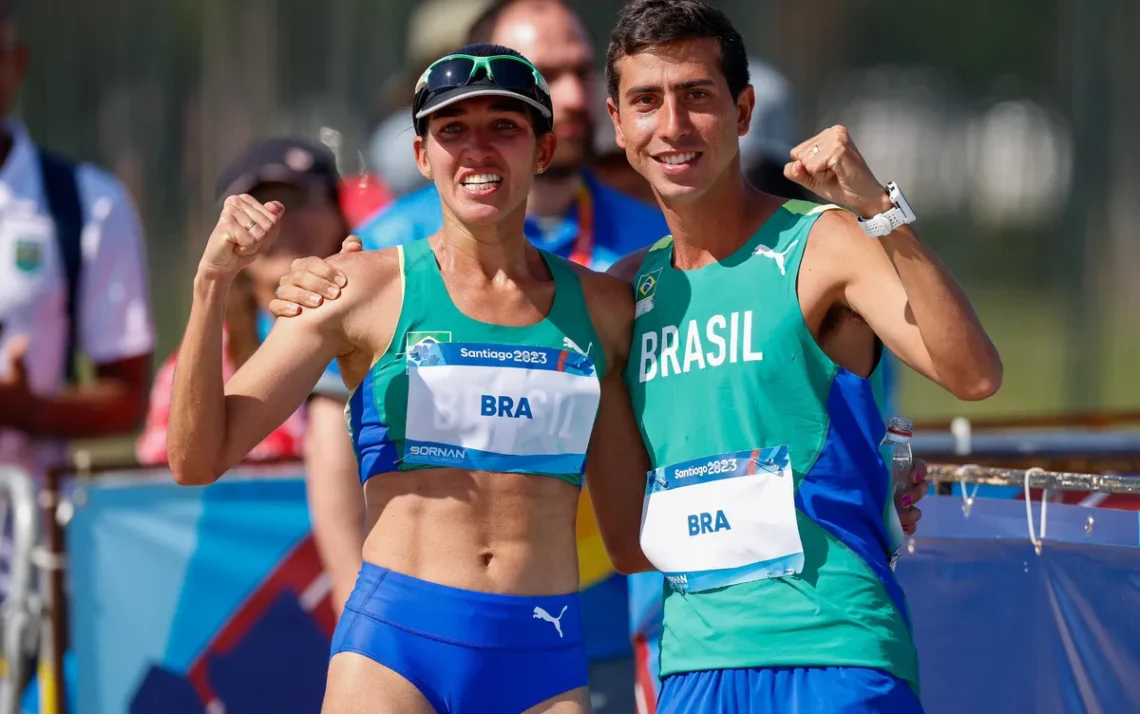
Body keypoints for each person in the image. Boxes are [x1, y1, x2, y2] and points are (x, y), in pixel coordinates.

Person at [168, 44, 651, 714]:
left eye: (503, 128)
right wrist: (210, 285)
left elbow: (631, 538)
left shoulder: (605, 310)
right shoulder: (358, 288)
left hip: (543, 654)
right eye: (453, 131)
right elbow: (196, 458)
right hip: (397, 653)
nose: (478, 151)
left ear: (543, 150)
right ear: (423, 156)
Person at [600, 1, 1000, 711]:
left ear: (744, 108)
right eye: (647, 101)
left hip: (834, 650)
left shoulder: (823, 243)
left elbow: (973, 374)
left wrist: (880, 208)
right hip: (695, 664)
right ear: (618, 122)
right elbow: (628, 546)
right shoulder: (626, 293)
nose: (672, 126)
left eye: (698, 96)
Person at [286, 1, 672, 707]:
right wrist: (359, 602)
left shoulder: (652, 243)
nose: (576, 95)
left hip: (601, 627)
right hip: (414, 627)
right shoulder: (386, 244)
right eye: (550, 72)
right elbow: (333, 436)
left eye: (584, 71)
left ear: (539, 139)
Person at [0, 0, 153, 480]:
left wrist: (27, 412)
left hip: (25, 537)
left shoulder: (89, 203)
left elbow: (127, 400)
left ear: (17, 63)